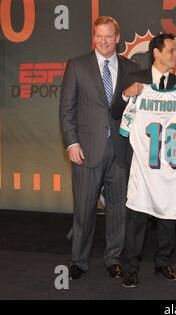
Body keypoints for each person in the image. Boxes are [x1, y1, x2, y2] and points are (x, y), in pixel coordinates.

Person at [59, 16, 140, 280]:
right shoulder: (76, 66)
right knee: (84, 208)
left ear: (117, 38)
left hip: (120, 150)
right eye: (99, 36)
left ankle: (113, 259)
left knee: (118, 209)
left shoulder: (132, 67)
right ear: (94, 37)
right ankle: (78, 261)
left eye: (108, 36)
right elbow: (66, 110)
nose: (103, 41)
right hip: (86, 150)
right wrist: (71, 142)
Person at [111, 33, 176, 288]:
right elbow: (114, 111)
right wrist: (125, 95)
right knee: (137, 215)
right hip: (143, 163)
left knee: (168, 212)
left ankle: (163, 262)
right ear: (156, 53)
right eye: (171, 51)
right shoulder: (136, 80)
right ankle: (131, 266)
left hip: (170, 165)